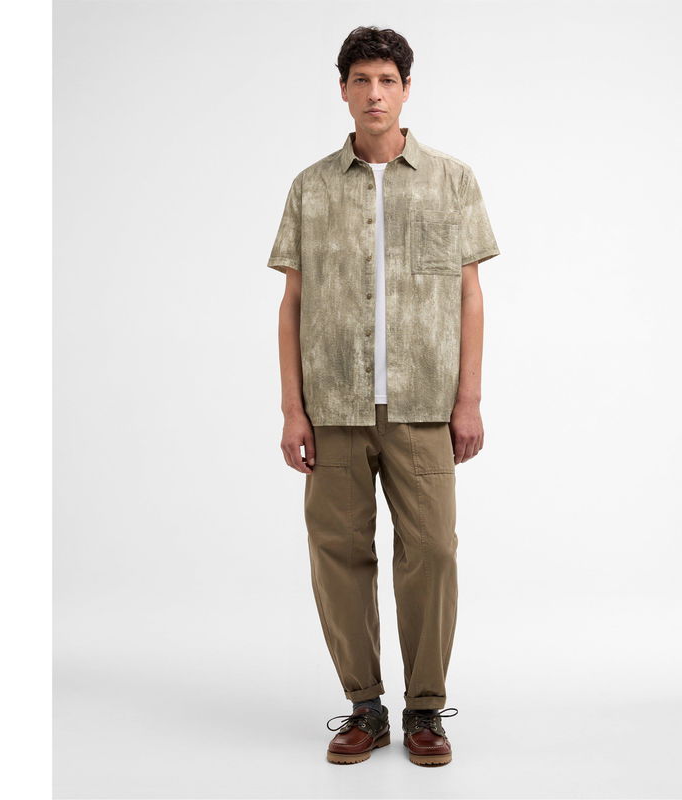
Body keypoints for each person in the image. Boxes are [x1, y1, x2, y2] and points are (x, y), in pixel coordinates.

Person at [266, 25, 500, 766]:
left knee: (431, 551)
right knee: (338, 553)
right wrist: (293, 409)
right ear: (343, 90)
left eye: (387, 80)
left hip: (425, 404)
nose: (374, 93)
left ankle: (425, 708)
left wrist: (469, 400)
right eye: (361, 80)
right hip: (332, 405)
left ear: (405, 89)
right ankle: (364, 708)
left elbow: (469, 295)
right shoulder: (310, 187)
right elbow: (292, 304)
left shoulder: (452, 180)